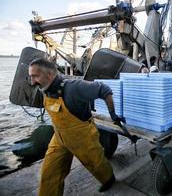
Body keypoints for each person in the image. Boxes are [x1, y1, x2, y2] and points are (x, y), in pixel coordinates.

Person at [28, 58, 121, 195]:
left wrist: (113, 114)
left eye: (35, 76)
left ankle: (109, 180)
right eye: (30, 76)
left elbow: (104, 89)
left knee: (97, 164)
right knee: (49, 172)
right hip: (59, 137)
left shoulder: (74, 87)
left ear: (49, 75)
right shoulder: (45, 89)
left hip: (82, 136)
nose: (32, 81)